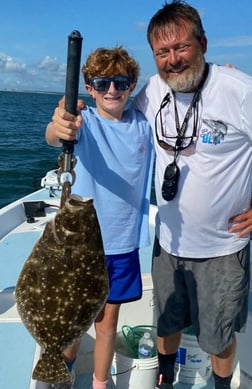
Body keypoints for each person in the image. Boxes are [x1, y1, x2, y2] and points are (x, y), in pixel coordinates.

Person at [132, 1, 252, 389]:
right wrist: (65, 120)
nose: (173, 60)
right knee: (165, 323)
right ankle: (165, 378)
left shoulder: (238, 90)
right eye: (162, 52)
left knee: (217, 337)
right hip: (167, 243)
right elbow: (112, 124)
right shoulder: (152, 92)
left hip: (222, 248)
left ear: (202, 43)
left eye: (182, 47)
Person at [45, 46, 154, 389]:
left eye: (120, 82)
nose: (112, 90)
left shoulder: (144, 126)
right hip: (81, 247)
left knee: (107, 323)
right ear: (89, 88)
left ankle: (99, 383)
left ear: (132, 85)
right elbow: (56, 133)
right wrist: (59, 124)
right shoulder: (84, 122)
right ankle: (61, 377)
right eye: (102, 82)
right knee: (73, 321)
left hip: (122, 245)